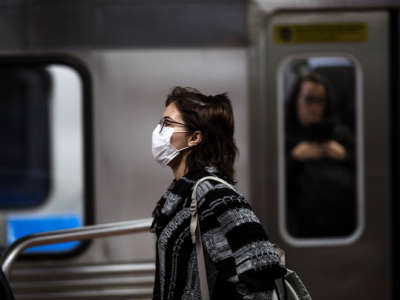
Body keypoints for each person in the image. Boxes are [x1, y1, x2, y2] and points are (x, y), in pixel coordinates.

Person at [150, 87, 285, 300]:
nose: (158, 131)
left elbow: (260, 277)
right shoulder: (179, 196)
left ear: (194, 138)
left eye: (167, 123)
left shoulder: (216, 197)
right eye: (160, 123)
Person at [285, 72, 356, 238]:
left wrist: (344, 156)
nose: (314, 107)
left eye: (320, 101)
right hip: (300, 228)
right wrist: (294, 159)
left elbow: (370, 173)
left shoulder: (341, 135)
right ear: (296, 101)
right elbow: (271, 186)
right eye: (309, 99)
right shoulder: (283, 138)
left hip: (344, 226)